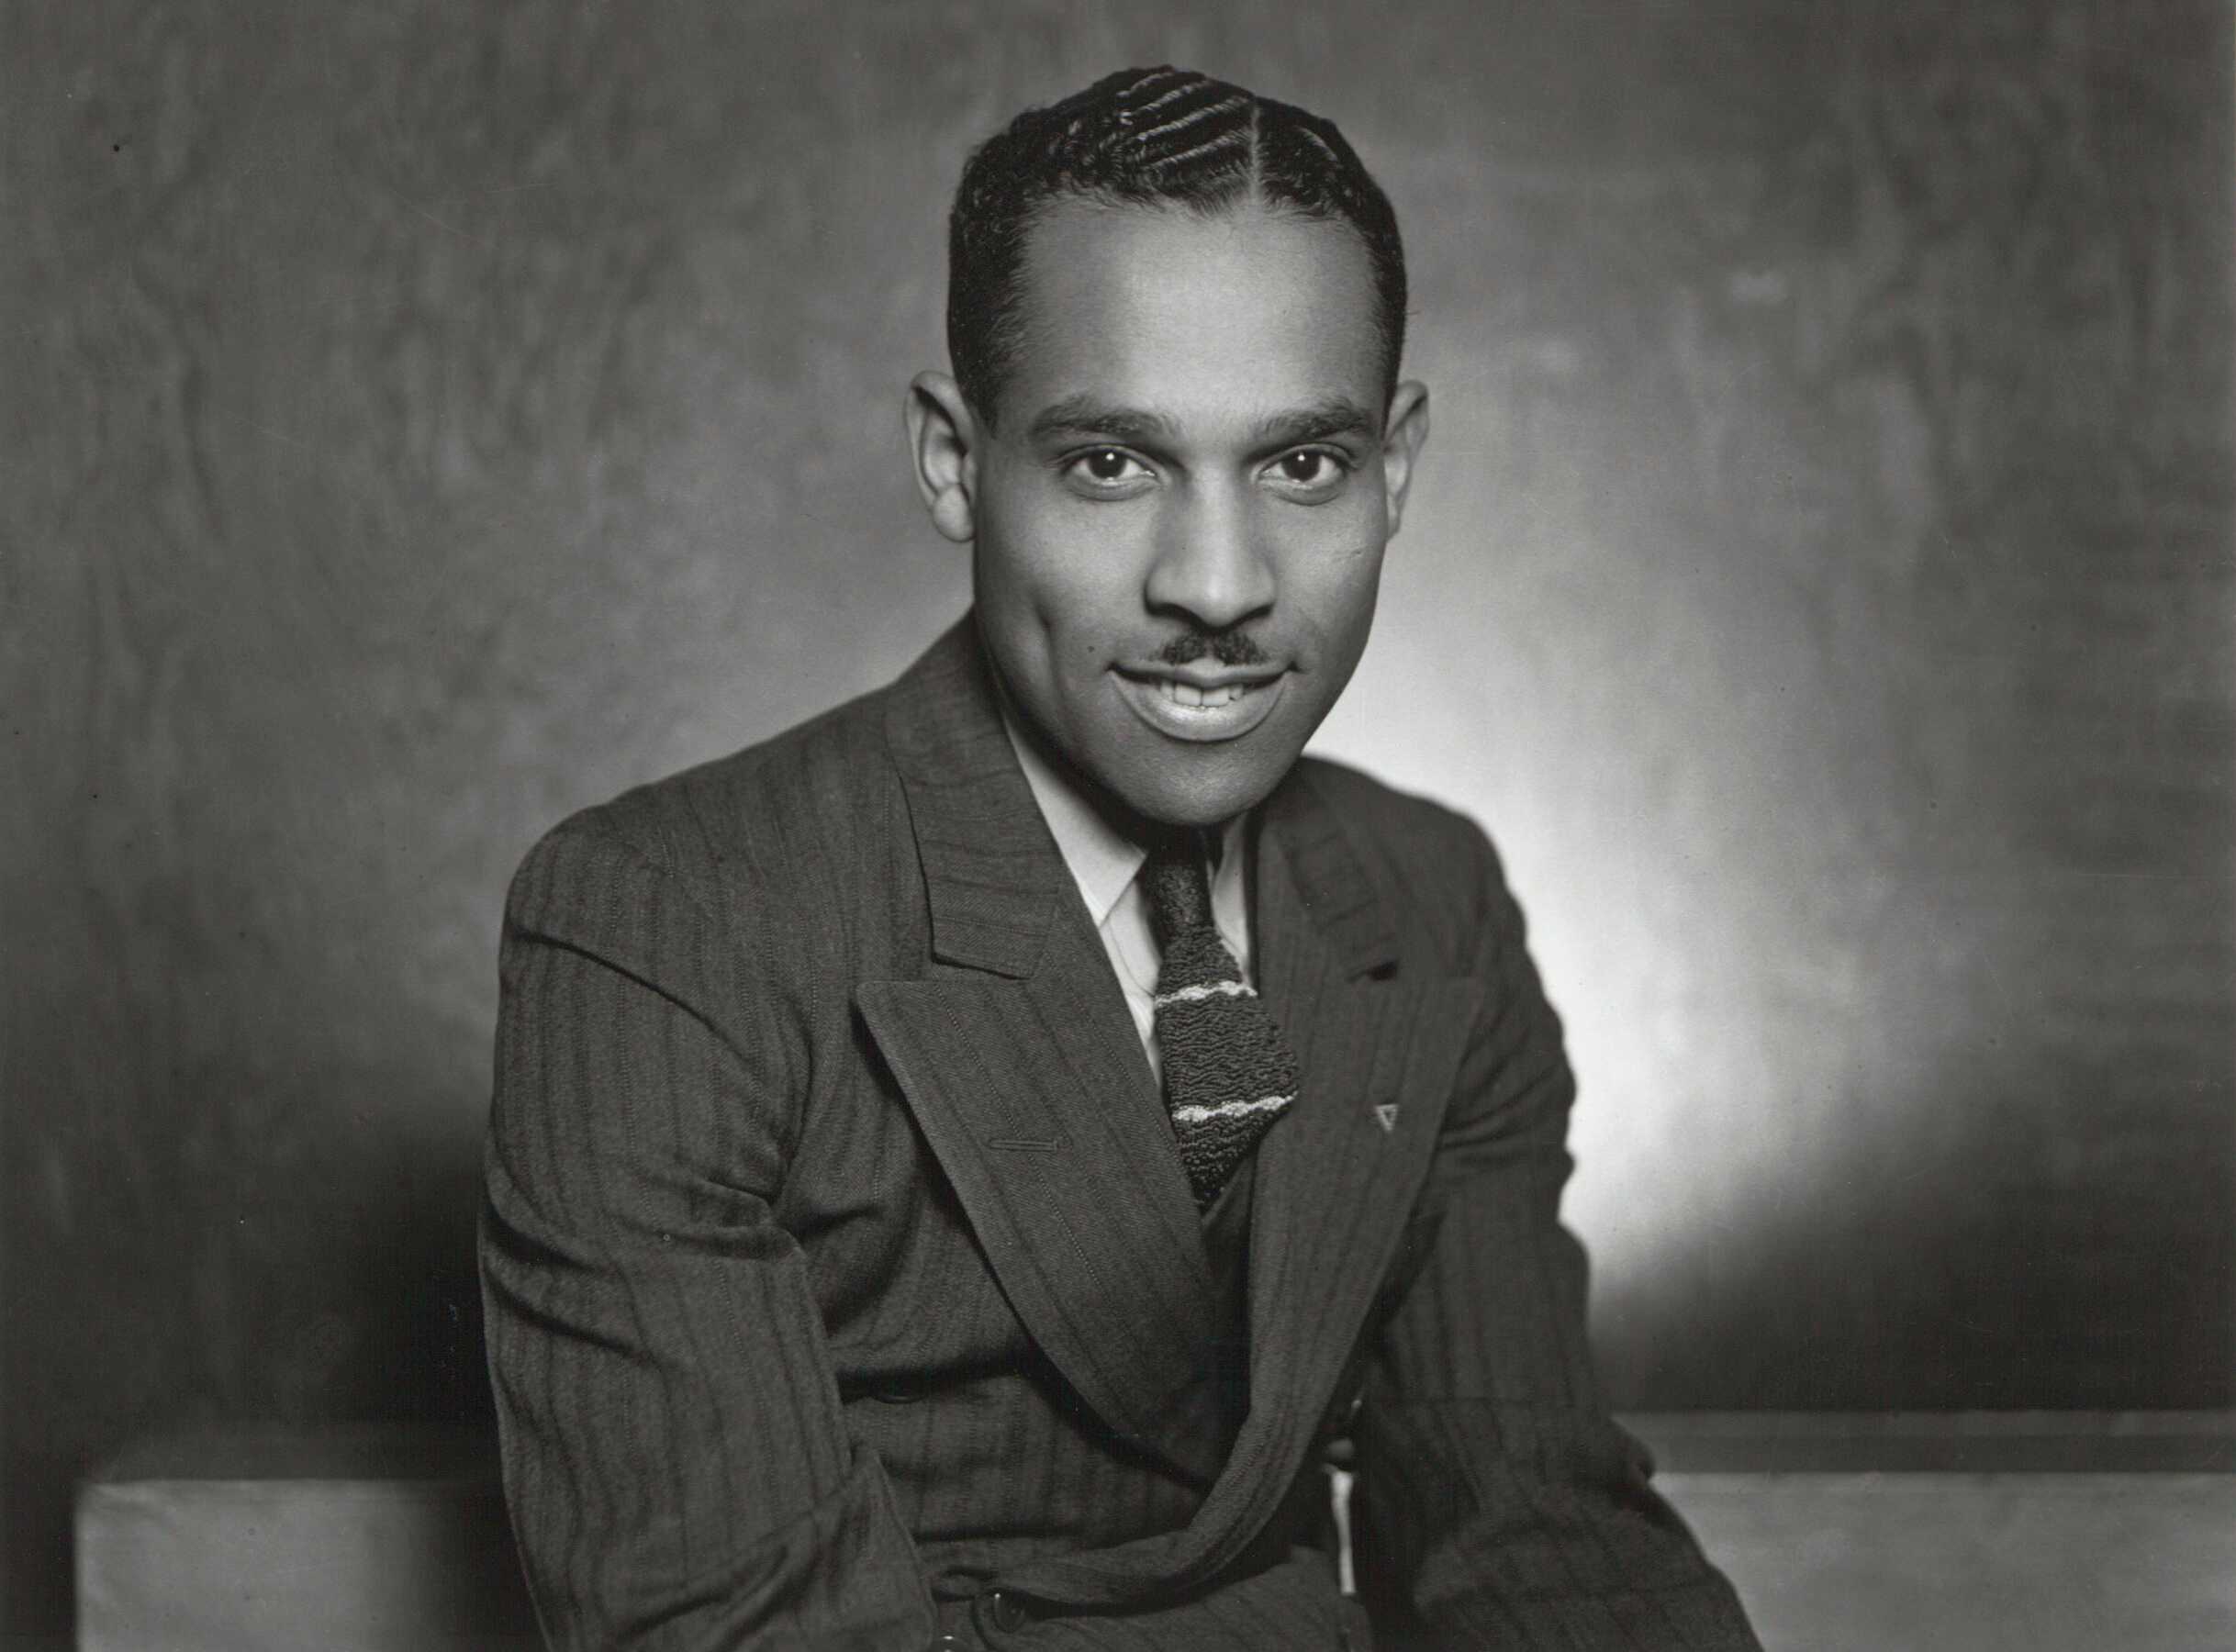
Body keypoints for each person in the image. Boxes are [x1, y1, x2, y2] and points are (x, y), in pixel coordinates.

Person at [479, 65, 1761, 1651]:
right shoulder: (666, 929)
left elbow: (1539, 1534)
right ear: (957, 462)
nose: (1217, 584)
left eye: (1304, 464)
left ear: (1398, 467)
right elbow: (739, 1630)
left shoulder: (1431, 904)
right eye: (1112, 464)